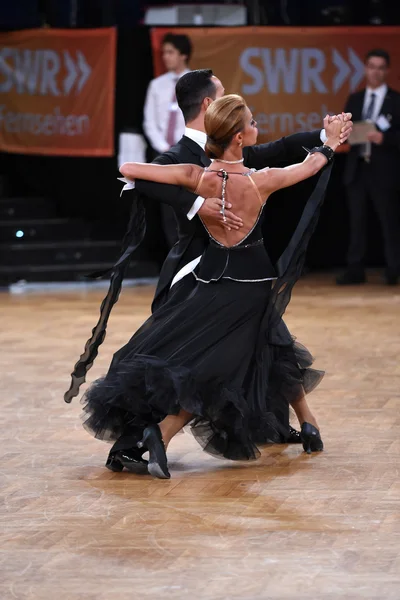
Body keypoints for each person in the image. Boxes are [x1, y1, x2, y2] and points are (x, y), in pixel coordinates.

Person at [66, 95, 345, 479]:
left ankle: (307, 423)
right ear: (238, 138)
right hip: (250, 288)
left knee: (271, 347)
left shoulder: (196, 176)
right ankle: (159, 434)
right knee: (220, 370)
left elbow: (130, 168)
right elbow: (311, 165)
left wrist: (194, 201)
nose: (256, 126)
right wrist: (331, 142)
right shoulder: (258, 181)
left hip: (213, 282)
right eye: (252, 122)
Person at [337, 48, 400, 286]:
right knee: (356, 221)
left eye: (380, 68)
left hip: (384, 169)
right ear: (365, 69)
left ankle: (394, 268)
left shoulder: (396, 101)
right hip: (357, 167)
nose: (375, 72)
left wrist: (385, 138)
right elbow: (344, 131)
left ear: (387, 71)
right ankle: (355, 269)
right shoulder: (355, 98)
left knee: (388, 220)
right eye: (371, 67)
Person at [143, 33, 193, 248]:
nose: (165, 57)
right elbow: (149, 122)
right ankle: (175, 261)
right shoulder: (157, 85)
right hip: (164, 154)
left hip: (190, 153)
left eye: (170, 52)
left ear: (183, 55)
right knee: (168, 211)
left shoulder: (199, 84)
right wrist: (165, 150)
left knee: (190, 207)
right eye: (163, 52)